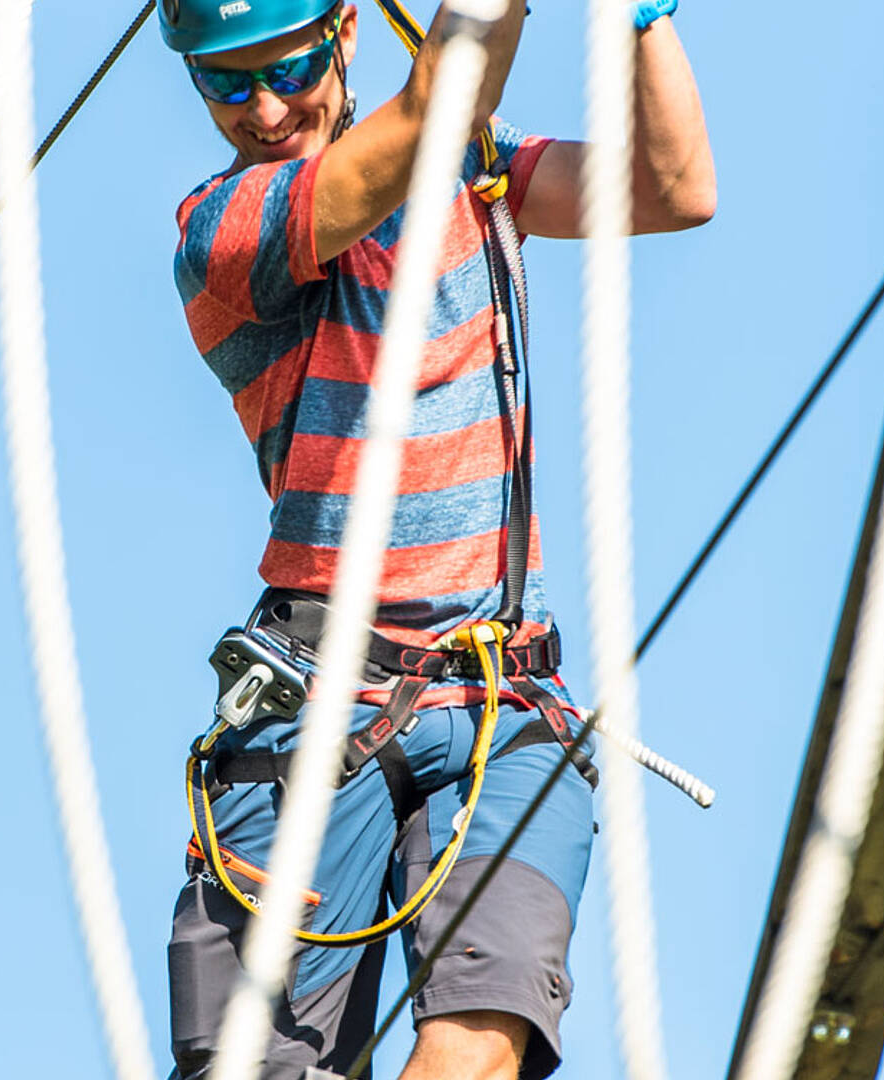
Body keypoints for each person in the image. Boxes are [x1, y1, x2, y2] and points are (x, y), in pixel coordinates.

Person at [162, 2, 714, 1077]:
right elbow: (421, 117)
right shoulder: (227, 229)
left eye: (290, 67)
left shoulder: (475, 164)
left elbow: (672, 188)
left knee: (480, 1052)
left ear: (349, 32)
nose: (266, 110)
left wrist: (641, 20)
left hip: (503, 701)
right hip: (322, 710)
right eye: (227, 87)